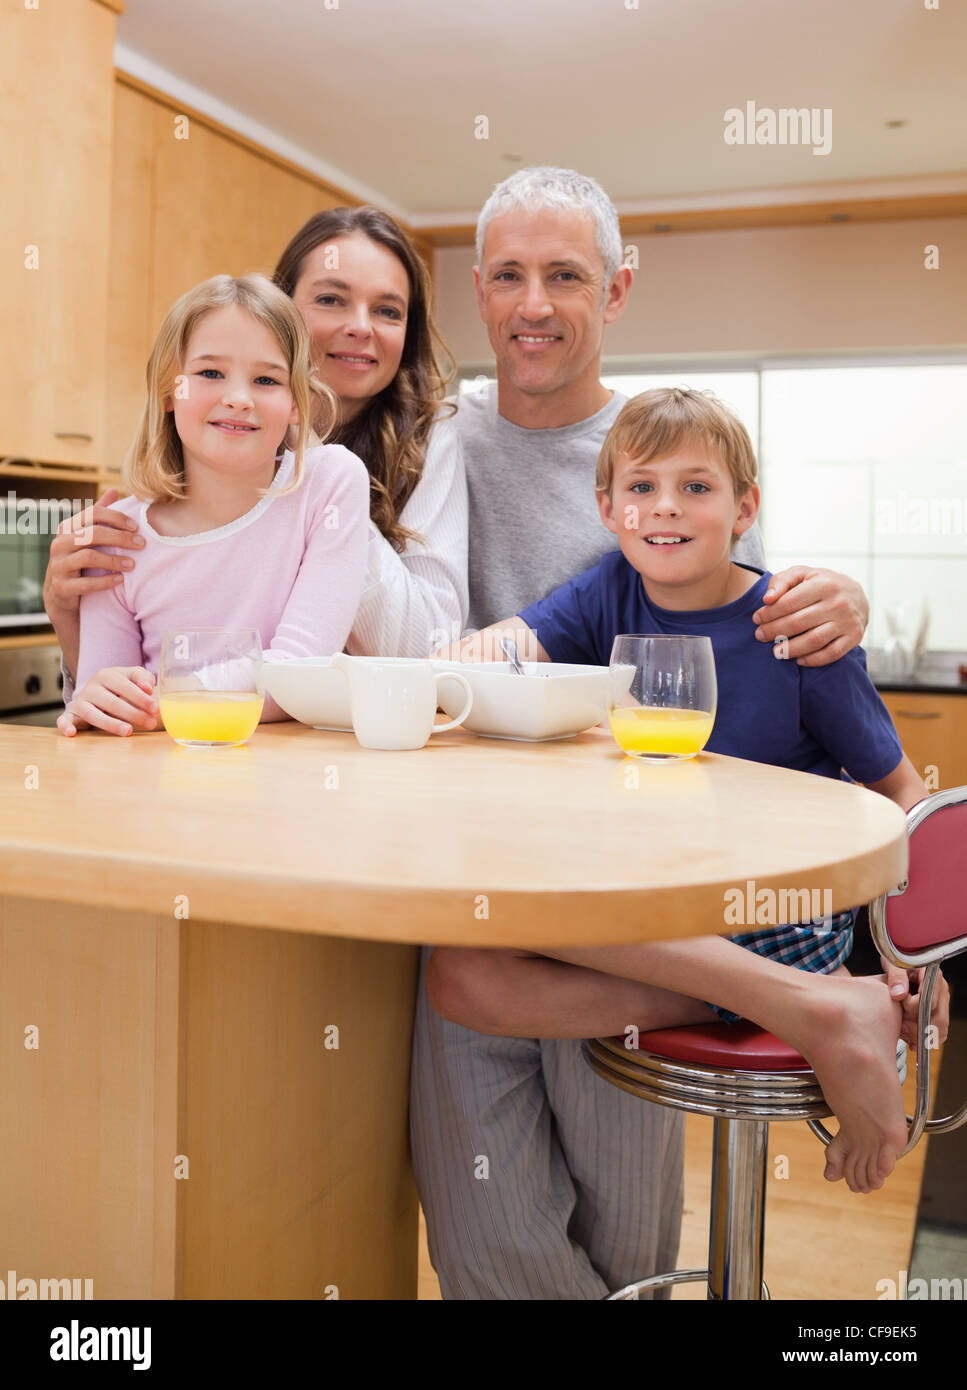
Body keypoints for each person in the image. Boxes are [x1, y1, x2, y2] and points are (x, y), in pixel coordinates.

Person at [410, 166, 888, 1301]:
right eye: (511, 276)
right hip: (463, 882)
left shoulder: (659, 454)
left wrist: (844, 604)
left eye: (566, 275)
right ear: (476, 290)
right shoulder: (428, 445)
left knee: (630, 1244)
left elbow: (771, 618)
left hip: (639, 895)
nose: (535, 303)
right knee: (482, 1244)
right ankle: (776, 995)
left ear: (616, 289)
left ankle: (779, 991)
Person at [427, 385, 949, 1197]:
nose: (663, 508)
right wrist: (451, 661)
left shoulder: (794, 629)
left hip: (775, 910)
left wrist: (914, 949)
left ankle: (814, 1000)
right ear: (607, 508)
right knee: (461, 976)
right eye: (641, 488)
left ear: (745, 508)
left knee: (528, 898)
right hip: (667, 915)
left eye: (695, 487)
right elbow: (506, 647)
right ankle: (807, 1008)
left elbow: (905, 795)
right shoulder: (610, 593)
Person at [44, 206, 468, 687]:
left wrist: (326, 493)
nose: (361, 327)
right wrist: (67, 617)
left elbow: (432, 650)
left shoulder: (427, 441)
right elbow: (108, 701)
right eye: (331, 299)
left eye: (388, 310)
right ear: (280, 305)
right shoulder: (171, 485)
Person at [56, 273, 369, 736]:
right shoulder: (118, 534)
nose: (238, 399)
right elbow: (110, 707)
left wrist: (168, 702)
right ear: (168, 390)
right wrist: (102, 699)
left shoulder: (329, 484)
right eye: (209, 373)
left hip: (286, 788)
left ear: (297, 404)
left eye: (266, 379)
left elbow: (299, 672)